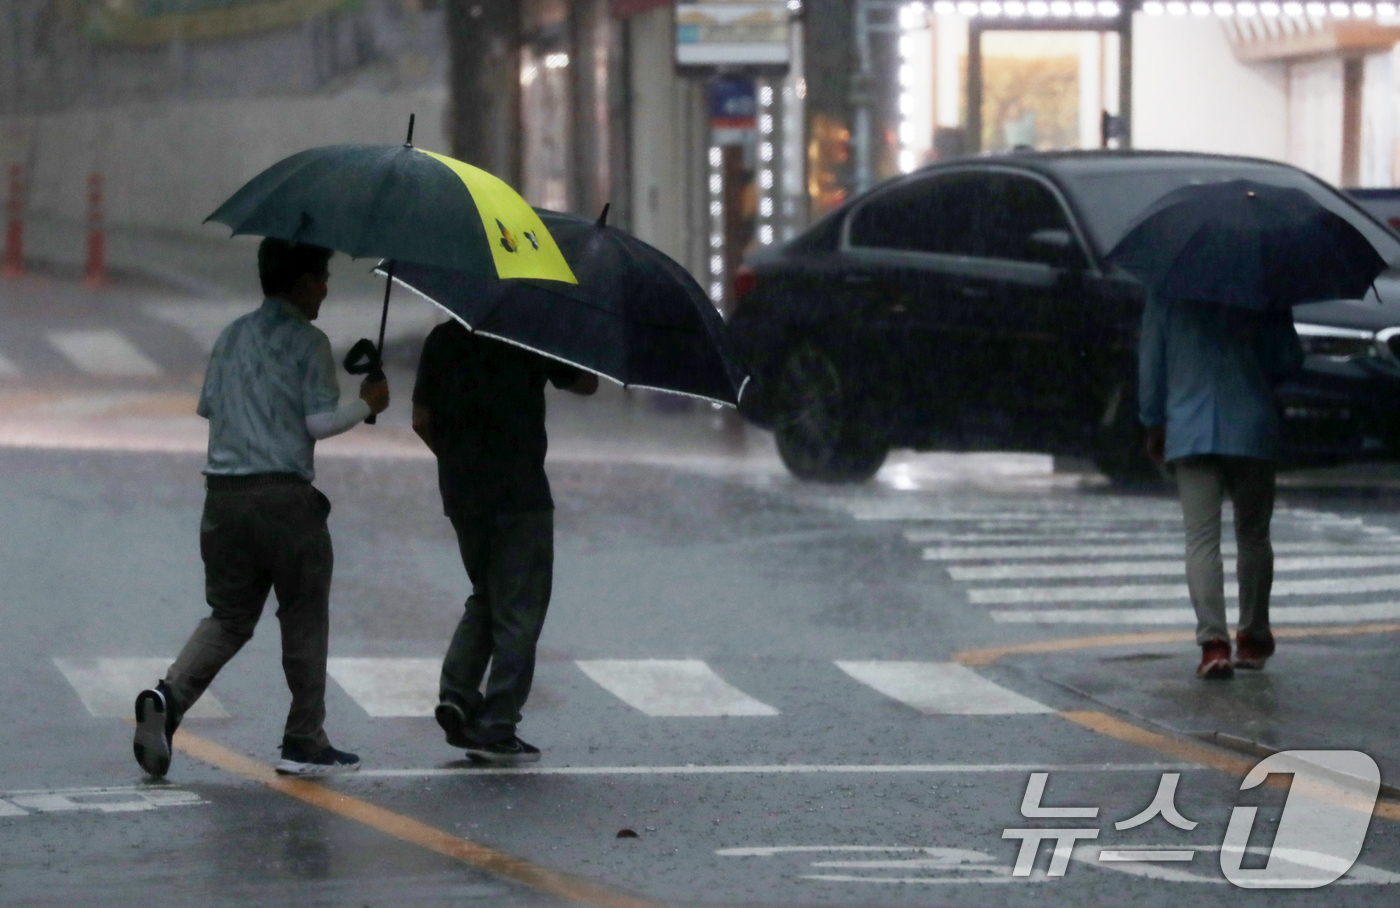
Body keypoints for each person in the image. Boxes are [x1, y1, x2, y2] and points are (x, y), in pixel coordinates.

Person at [132, 238, 390, 778]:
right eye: (321, 276)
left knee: (228, 616)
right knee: (303, 613)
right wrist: (366, 403)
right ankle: (304, 738)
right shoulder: (309, 342)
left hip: (223, 499)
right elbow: (318, 423)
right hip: (285, 499)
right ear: (299, 282)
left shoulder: (229, 337)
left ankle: (168, 698)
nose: (325, 287)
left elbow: (211, 409)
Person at [412, 320, 597, 764]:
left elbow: (421, 420)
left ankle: (457, 695)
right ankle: (497, 723)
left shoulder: (442, 338)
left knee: (486, 595)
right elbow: (586, 384)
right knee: (519, 611)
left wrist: (459, 461)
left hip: (461, 493)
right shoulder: (530, 332)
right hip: (520, 493)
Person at [1139, 294, 1302, 680]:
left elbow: (1151, 367)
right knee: (1253, 534)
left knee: (1200, 538)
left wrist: (1153, 420)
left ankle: (1214, 646)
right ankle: (1253, 637)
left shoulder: (1166, 290)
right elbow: (1290, 360)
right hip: (1251, 424)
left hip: (1189, 424)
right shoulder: (1266, 290)